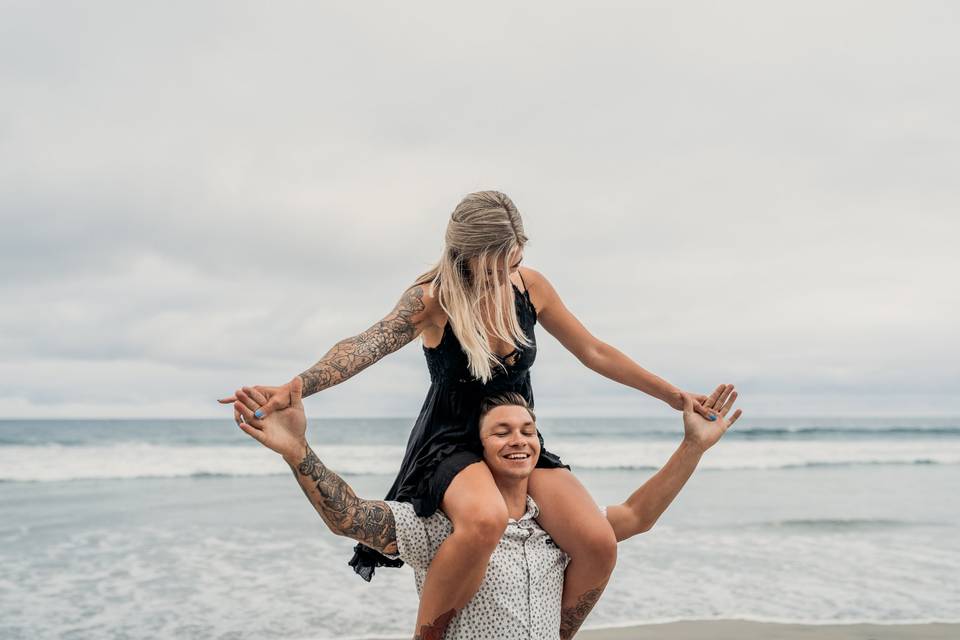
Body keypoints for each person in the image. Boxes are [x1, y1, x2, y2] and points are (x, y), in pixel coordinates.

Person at [219, 191, 720, 635]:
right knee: (485, 520)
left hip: (515, 433)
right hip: (451, 441)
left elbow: (595, 351)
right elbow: (366, 344)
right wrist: (300, 384)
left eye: (514, 260)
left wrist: (675, 397)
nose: (506, 274)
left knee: (597, 541)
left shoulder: (531, 287)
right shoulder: (431, 299)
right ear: (465, 253)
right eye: (495, 264)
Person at [233, 378, 741, 639]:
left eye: (527, 430)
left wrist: (693, 445)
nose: (518, 440)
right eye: (501, 431)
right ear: (478, 448)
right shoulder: (447, 529)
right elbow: (350, 519)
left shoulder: (556, 532)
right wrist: (298, 451)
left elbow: (636, 516)